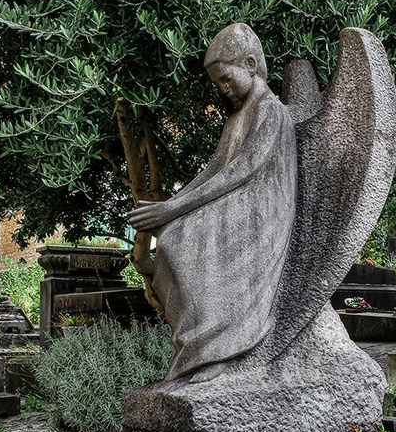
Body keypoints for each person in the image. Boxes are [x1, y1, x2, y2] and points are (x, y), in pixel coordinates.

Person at [127, 23, 297, 382]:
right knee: (172, 242)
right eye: (218, 82)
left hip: (262, 212)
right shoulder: (236, 117)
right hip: (238, 203)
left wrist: (174, 209)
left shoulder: (270, 111)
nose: (223, 88)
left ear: (250, 64)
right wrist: (173, 203)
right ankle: (198, 351)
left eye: (226, 78)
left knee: (181, 242)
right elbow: (214, 170)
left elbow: (243, 170)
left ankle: (217, 351)